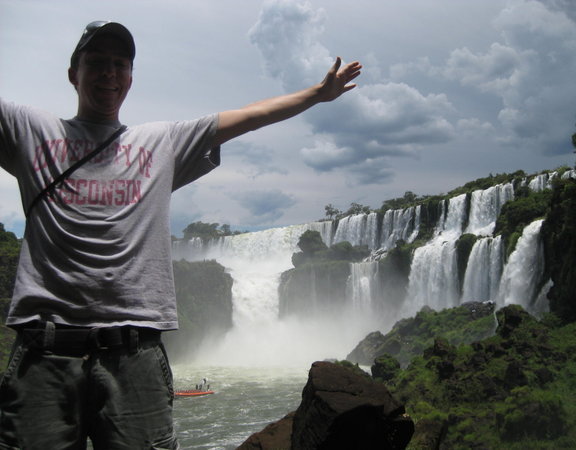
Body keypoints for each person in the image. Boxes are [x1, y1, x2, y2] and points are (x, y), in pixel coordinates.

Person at [0, 20, 361, 449]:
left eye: (120, 65)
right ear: (72, 74)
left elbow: (250, 115)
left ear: (131, 78)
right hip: (45, 352)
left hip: (134, 353)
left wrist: (317, 96)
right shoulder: (30, 130)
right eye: (96, 63)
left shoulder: (161, 141)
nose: (109, 73)